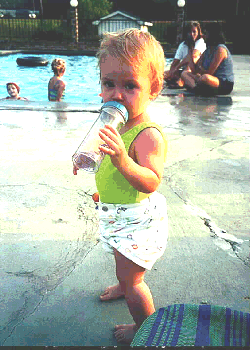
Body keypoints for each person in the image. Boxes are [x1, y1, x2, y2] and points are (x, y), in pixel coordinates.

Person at [73, 29, 168, 344]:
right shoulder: (112, 123)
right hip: (115, 212)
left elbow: (152, 180)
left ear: (153, 89)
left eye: (130, 85)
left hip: (136, 219)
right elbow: (100, 157)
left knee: (134, 281)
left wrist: (124, 162)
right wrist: (84, 160)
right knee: (119, 257)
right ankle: (123, 281)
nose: (116, 94)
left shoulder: (147, 134)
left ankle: (145, 328)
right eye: (108, 84)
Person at [181, 22, 234, 96]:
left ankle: (195, 87)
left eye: (205, 33)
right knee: (184, 73)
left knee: (205, 78)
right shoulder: (207, 50)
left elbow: (209, 73)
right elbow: (195, 69)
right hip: (203, 78)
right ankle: (196, 89)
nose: (202, 35)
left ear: (212, 34)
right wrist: (191, 53)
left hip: (222, 82)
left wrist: (199, 72)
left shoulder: (220, 49)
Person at [164, 21, 206, 88]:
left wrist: (177, 67)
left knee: (191, 59)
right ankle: (180, 79)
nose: (192, 34)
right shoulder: (183, 45)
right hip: (185, 71)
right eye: (189, 32)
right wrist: (172, 71)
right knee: (165, 74)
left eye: (194, 32)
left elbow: (193, 56)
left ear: (198, 32)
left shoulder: (200, 42)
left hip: (197, 71)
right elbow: (175, 62)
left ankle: (181, 81)